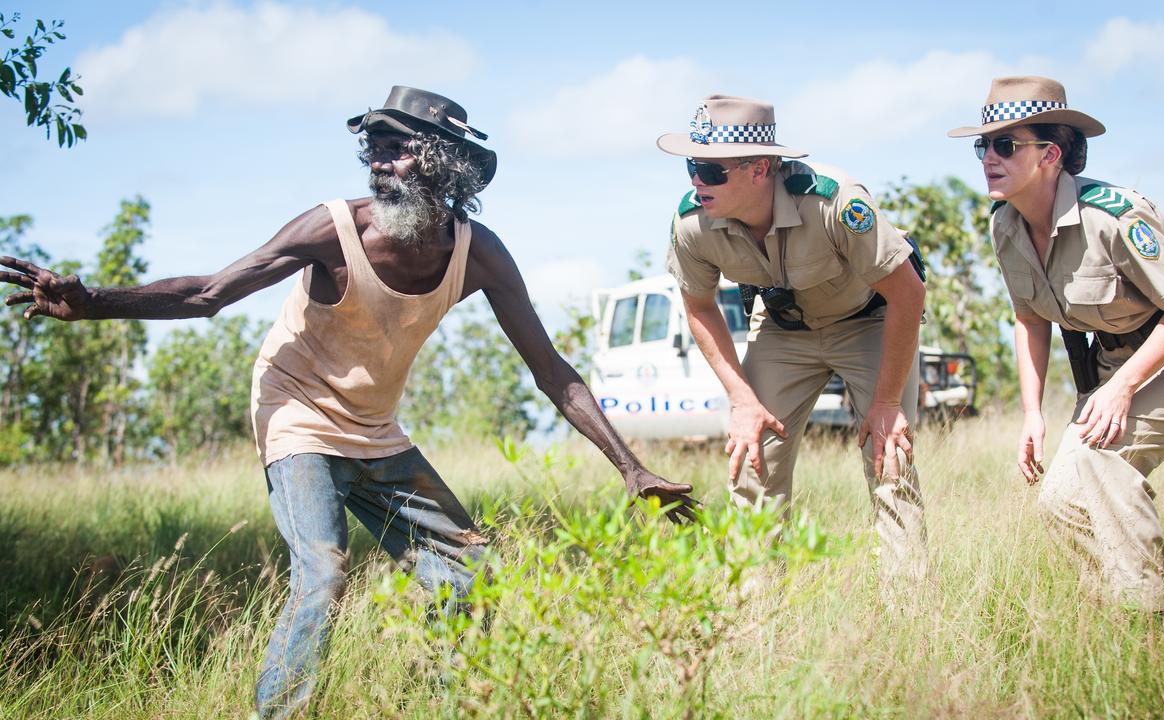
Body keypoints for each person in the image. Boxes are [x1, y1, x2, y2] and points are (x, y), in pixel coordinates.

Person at [1, 86, 696, 717]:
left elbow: (552, 371)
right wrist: (94, 303)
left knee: (471, 575)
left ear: (445, 164)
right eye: (377, 150)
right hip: (295, 410)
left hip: (374, 430)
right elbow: (211, 293)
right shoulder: (332, 229)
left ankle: (450, 704)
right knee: (325, 571)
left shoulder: (476, 253)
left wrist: (632, 469)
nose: (380, 164)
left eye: (399, 150)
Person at [948, 76, 1164, 612]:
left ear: (1050, 154)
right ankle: (1116, 605)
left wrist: (1123, 387)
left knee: (1104, 463)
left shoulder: (1113, 215)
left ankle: (1147, 620)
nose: (988, 158)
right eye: (983, 146)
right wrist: (1032, 414)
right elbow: (1029, 320)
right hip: (1117, 366)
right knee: (1059, 501)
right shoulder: (1006, 226)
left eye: (1005, 145)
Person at [658, 94, 928, 584]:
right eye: (692, 166)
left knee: (891, 460)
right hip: (783, 330)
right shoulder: (691, 222)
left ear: (760, 168)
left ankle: (906, 614)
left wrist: (887, 400)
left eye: (712, 170)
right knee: (752, 462)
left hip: (867, 321)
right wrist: (741, 398)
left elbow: (908, 291)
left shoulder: (835, 200)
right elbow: (699, 307)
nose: (698, 180)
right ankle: (754, 618)